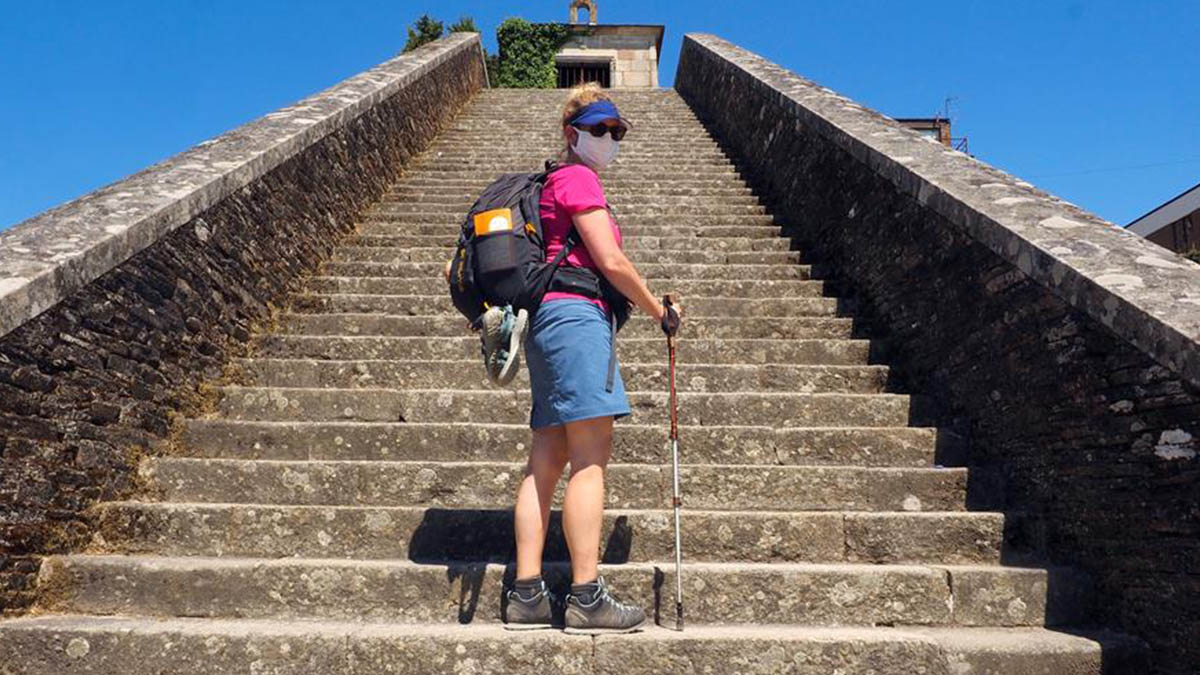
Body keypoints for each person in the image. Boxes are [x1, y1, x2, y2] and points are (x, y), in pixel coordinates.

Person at [496, 83, 682, 634]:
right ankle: (584, 594)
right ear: (571, 133)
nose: (609, 138)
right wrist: (660, 311)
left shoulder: (556, 181)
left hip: (549, 323)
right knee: (590, 459)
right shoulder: (578, 178)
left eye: (616, 131)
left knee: (545, 458)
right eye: (599, 128)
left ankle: (527, 593)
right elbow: (611, 260)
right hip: (577, 319)